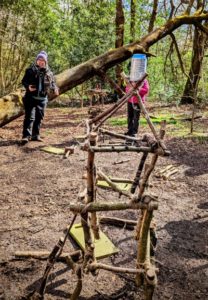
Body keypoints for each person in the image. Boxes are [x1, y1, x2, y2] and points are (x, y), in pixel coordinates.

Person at [21, 51, 59, 144]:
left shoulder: (49, 72)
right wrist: (28, 87)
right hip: (30, 97)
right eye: (39, 59)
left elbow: (53, 83)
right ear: (36, 60)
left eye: (43, 60)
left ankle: (35, 135)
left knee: (39, 118)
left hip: (42, 99)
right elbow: (24, 81)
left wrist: (55, 89)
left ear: (46, 62)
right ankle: (26, 136)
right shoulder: (30, 70)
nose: (41, 61)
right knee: (29, 117)